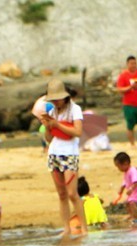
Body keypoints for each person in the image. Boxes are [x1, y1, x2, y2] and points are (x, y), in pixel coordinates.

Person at [40, 78, 86, 236]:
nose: (55, 102)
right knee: (62, 194)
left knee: (72, 193)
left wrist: (58, 125)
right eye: (53, 99)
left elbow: (78, 132)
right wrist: (48, 127)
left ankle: (84, 229)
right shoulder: (52, 112)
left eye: (57, 98)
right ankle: (66, 228)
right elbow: (49, 138)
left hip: (70, 154)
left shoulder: (75, 109)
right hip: (54, 153)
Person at [116, 56, 137, 147]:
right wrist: (130, 87)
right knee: (130, 125)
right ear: (127, 64)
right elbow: (120, 89)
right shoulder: (123, 76)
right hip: (129, 105)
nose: (133, 65)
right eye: (131, 63)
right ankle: (132, 143)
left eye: (135, 63)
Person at [112, 151, 137, 223]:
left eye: (119, 166)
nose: (118, 169)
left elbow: (136, 181)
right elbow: (125, 182)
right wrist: (121, 189)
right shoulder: (126, 172)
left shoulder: (132, 171)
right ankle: (131, 214)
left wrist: (131, 189)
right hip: (132, 192)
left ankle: (136, 217)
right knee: (127, 203)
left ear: (126, 163)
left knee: (132, 203)